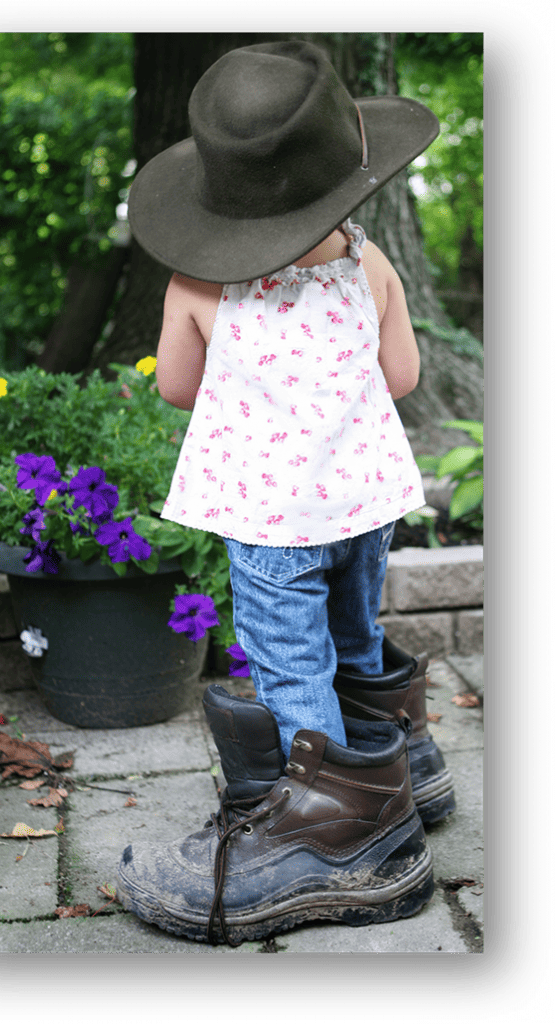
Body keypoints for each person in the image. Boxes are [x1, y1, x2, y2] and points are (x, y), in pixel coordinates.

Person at [117, 40, 452, 946]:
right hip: (364, 504)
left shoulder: (201, 282)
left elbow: (178, 388)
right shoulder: (370, 267)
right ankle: (405, 765)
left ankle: (338, 828)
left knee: (291, 660)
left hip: (271, 520)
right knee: (353, 635)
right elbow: (406, 375)